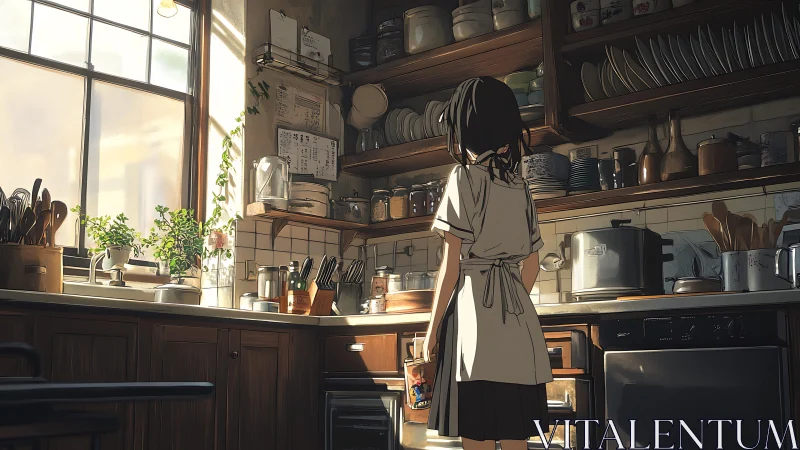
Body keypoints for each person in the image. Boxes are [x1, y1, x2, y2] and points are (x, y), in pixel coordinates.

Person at [423, 76, 553, 450]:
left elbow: (450, 268)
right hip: (519, 324)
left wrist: (431, 333)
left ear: (466, 130)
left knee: (477, 433)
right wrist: (510, 299)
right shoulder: (520, 187)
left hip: (473, 324)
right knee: (516, 434)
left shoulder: (463, 178)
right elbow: (531, 264)